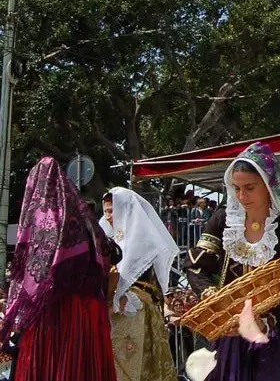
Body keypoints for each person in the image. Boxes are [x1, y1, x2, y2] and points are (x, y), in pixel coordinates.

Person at [184, 142, 280, 380]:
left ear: (269, 186)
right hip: (232, 335)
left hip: (279, 335)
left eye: (249, 187)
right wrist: (213, 299)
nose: (241, 196)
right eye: (236, 188)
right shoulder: (223, 221)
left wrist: (266, 320)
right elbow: (196, 264)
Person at [1, 158, 117, 380]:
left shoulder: (39, 226)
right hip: (86, 315)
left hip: (51, 317)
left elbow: (30, 283)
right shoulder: (88, 223)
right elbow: (111, 255)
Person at [101, 187, 179, 381]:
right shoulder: (106, 239)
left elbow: (131, 276)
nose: (108, 216)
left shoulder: (141, 240)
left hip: (138, 311)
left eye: (112, 211)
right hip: (112, 313)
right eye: (106, 211)